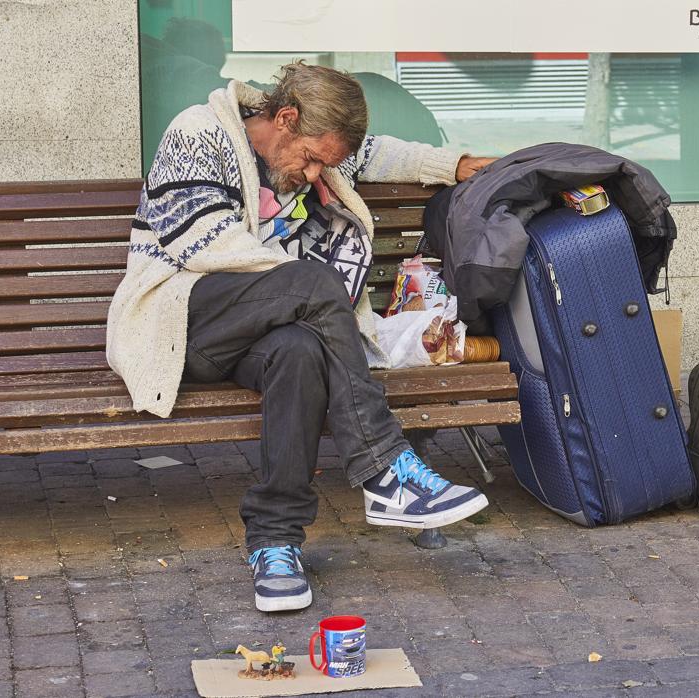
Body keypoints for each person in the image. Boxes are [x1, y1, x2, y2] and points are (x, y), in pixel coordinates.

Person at [107, 62, 495, 612]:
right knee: (314, 282)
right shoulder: (198, 133)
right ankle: (385, 468)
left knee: (299, 350)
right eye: (312, 158)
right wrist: (304, 282)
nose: (316, 176)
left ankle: (275, 541)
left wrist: (451, 164)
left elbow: (378, 153)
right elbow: (203, 248)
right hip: (179, 321)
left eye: (326, 165)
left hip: (264, 323)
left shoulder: (315, 148)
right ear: (283, 117)